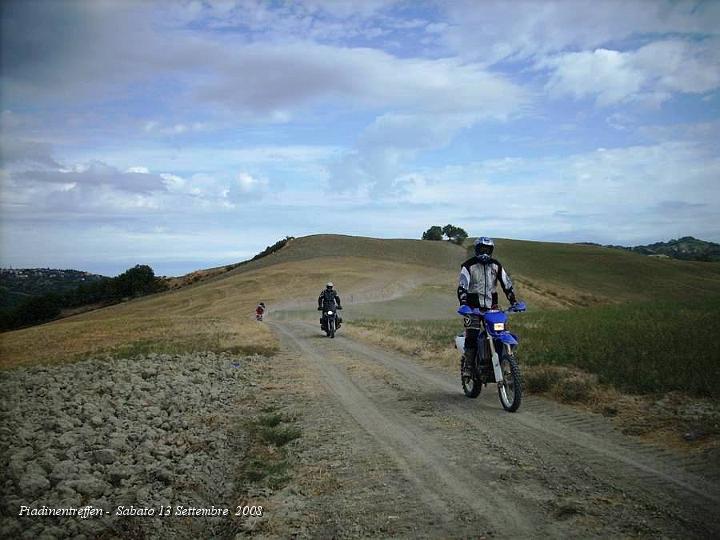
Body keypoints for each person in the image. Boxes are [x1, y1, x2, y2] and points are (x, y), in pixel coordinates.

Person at [457, 237, 518, 376]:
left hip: (492, 308)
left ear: (491, 250)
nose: (485, 252)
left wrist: (514, 302)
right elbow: (462, 287)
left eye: (488, 249)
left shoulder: (496, 265)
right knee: (472, 334)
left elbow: (507, 285)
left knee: (499, 332)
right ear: (477, 250)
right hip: (472, 309)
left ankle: (504, 361)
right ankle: (468, 365)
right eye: (482, 249)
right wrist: (464, 304)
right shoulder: (468, 266)